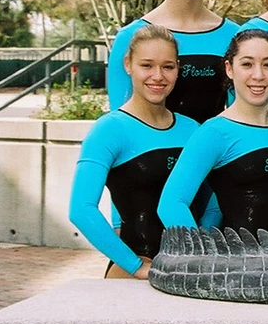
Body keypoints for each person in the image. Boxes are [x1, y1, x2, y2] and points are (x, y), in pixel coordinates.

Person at [70, 26, 213, 279]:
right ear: (128, 64)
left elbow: (213, 202)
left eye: (167, 67)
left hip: (189, 272)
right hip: (136, 273)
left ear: (178, 69)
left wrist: (201, 255)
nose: (157, 76)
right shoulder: (109, 130)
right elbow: (81, 209)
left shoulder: (194, 130)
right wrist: (134, 265)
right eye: (147, 65)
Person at [158, 29, 268, 233]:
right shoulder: (214, 132)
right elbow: (171, 204)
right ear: (230, 68)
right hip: (235, 262)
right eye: (247, 64)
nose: (258, 75)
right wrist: (203, 255)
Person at [107, 0, 238, 123]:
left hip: (214, 154)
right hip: (151, 153)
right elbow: (120, 123)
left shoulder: (234, 37)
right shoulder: (131, 37)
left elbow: (241, 118)